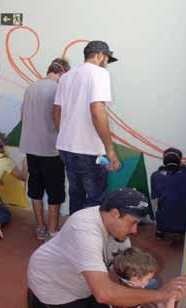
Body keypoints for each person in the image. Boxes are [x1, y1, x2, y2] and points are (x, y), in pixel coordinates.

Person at [27, 187, 186, 308]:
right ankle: (38, 303)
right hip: (52, 283)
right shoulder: (85, 230)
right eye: (133, 223)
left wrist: (162, 304)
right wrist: (160, 295)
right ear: (114, 214)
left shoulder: (117, 230)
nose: (134, 231)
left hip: (82, 282)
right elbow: (104, 294)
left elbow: (133, 273)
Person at [53, 40, 121, 215]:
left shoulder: (66, 76)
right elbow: (97, 111)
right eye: (106, 59)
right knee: (96, 197)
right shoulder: (99, 74)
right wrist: (110, 149)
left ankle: (75, 236)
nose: (106, 63)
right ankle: (87, 239)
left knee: (76, 194)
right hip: (90, 151)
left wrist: (66, 134)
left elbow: (56, 110)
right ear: (99, 55)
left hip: (66, 148)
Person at [20, 58, 70, 241]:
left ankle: (40, 227)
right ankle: (52, 229)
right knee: (55, 192)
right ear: (62, 73)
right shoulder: (59, 89)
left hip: (31, 148)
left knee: (35, 189)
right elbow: (61, 119)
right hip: (51, 150)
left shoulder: (31, 87)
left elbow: (22, 115)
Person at [151, 147, 186, 242]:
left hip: (162, 222)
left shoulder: (155, 175)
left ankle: (160, 230)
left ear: (164, 160)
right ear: (179, 160)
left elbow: (154, 199)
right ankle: (177, 231)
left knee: (161, 206)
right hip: (183, 224)